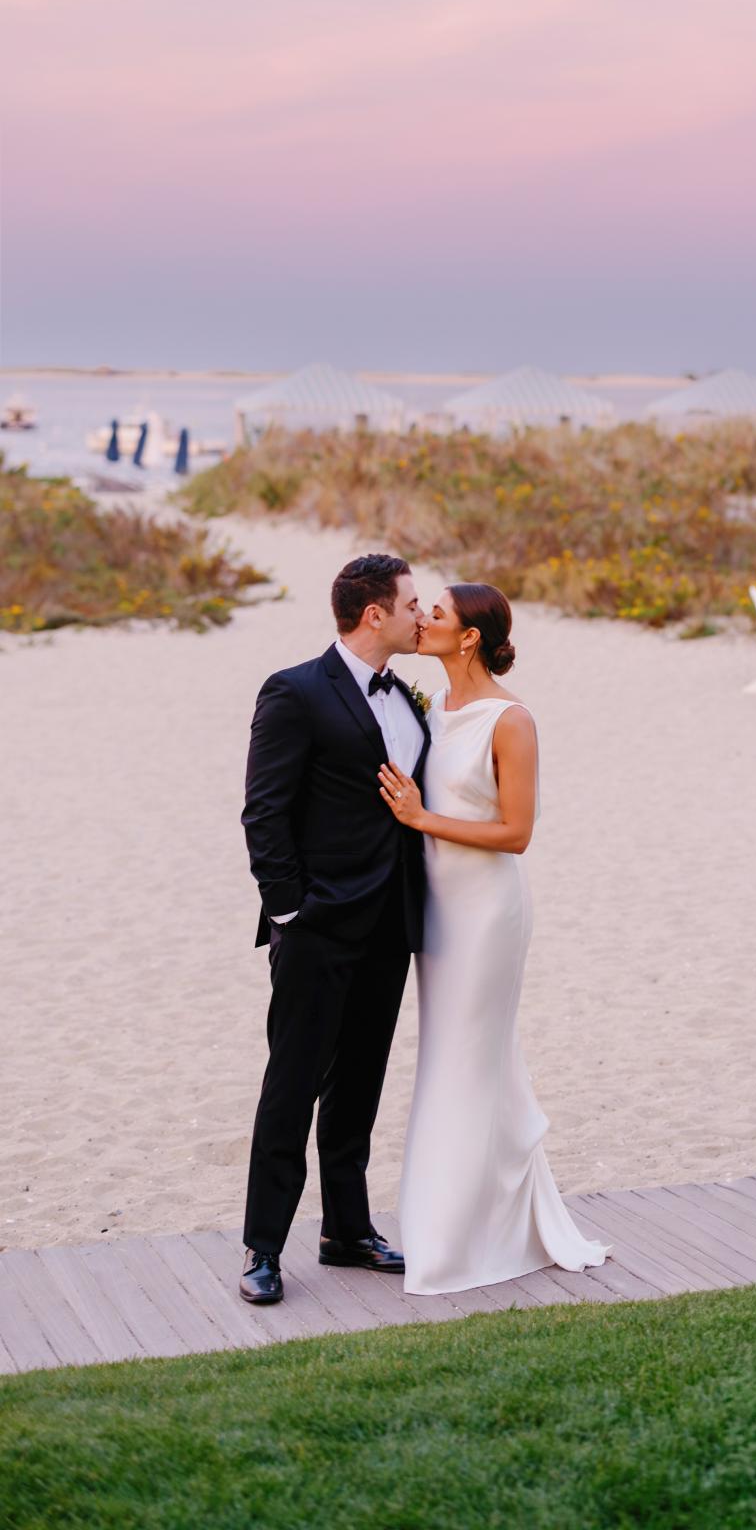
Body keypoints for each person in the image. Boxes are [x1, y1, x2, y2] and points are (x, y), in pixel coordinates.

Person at [380, 581, 608, 1294]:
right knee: (455, 1059)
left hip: (486, 913)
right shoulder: (430, 710)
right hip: (435, 911)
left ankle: (453, 1243)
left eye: (436, 614)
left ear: (469, 636)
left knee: (467, 1062)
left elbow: (516, 834)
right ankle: (486, 1219)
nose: (422, 621)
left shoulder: (510, 721)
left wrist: (422, 821)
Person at [237, 554, 428, 1304]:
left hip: (390, 923)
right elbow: (263, 810)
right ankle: (261, 1248)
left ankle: (346, 1231)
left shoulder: (408, 699)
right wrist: (290, 911)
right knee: (292, 1086)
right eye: (412, 603)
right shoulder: (294, 691)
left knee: (359, 1086)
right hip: (318, 926)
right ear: (373, 613)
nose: (422, 614)